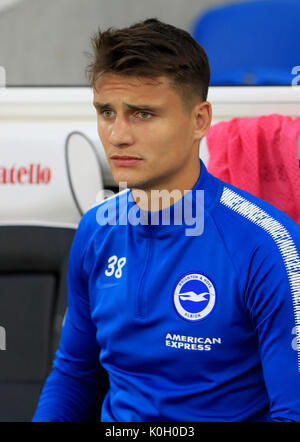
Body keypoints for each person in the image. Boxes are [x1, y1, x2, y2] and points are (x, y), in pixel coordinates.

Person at [32, 18, 300, 422]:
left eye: (142, 114)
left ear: (199, 121)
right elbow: (75, 374)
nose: (118, 135)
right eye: (107, 112)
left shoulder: (268, 246)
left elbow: (292, 412)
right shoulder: (95, 231)